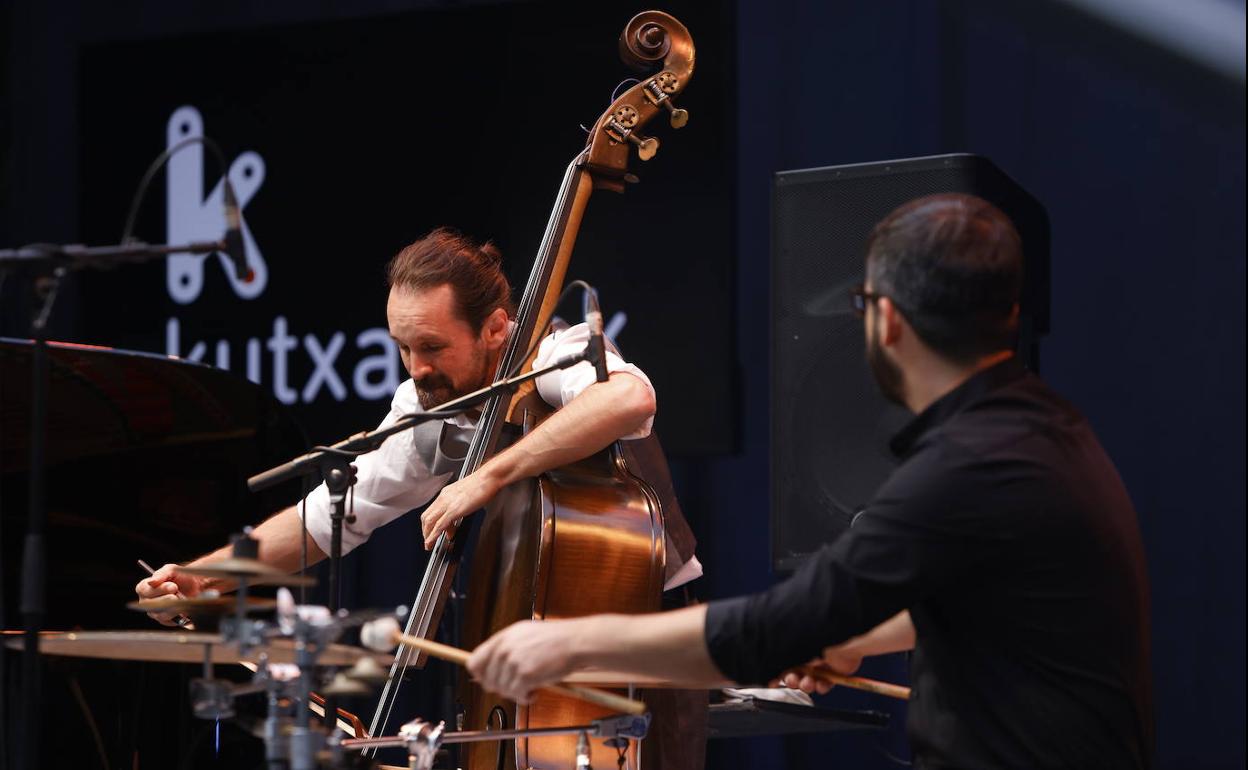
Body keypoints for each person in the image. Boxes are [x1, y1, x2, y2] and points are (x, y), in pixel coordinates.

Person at [466, 194, 1155, 768]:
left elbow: (775, 630)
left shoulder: (968, 464)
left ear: (884, 320)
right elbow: (984, 603)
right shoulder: (1042, 428)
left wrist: (565, 644)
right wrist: (854, 641)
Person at [136, 227, 704, 768]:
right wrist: (206, 577)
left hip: (647, 633)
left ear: (496, 328)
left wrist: (487, 476)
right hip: (535, 648)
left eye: (433, 346)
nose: (417, 369)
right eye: (403, 347)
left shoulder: (559, 351)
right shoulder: (427, 402)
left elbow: (627, 401)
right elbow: (333, 515)